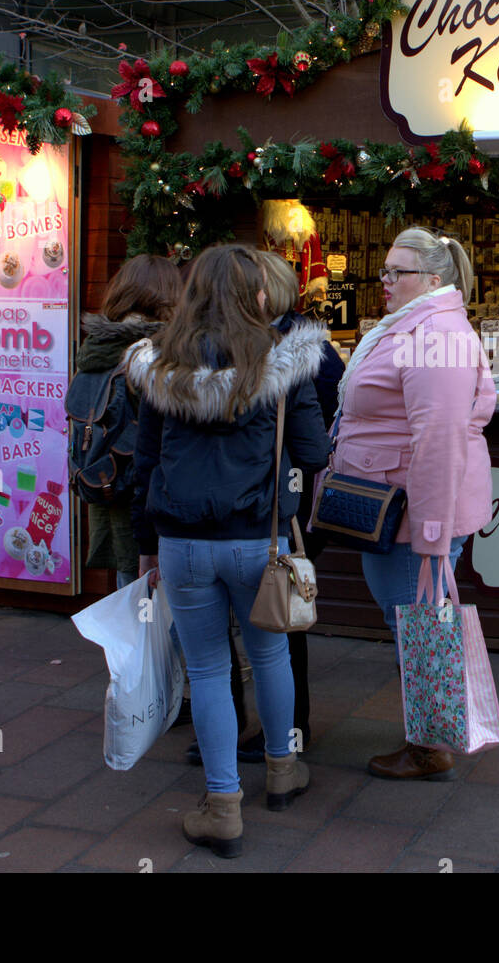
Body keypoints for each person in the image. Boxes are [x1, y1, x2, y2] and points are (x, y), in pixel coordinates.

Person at [126, 244, 332, 858]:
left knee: (210, 671)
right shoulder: (285, 363)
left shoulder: (159, 364)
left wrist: (145, 548)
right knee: (269, 656)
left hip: (182, 542)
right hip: (256, 540)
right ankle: (282, 770)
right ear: (256, 296)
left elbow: (145, 464)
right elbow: (316, 453)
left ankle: (222, 806)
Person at [326, 227, 496, 781]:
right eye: (385, 271)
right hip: (394, 506)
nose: (385, 282)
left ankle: (430, 745)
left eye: (397, 273)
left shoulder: (436, 335)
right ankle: (431, 732)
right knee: (414, 620)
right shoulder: (416, 327)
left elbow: (440, 438)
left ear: (433, 278)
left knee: (418, 624)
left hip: (409, 515)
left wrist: (430, 535)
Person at [213, 250, 343, 765]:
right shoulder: (248, 345)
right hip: (264, 506)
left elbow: (318, 440)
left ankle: (287, 730)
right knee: (267, 621)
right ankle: (274, 736)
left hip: (280, 508)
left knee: (280, 615)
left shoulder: (302, 352)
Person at [74, 254, 182, 588]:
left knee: (128, 583)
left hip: (106, 479)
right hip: (147, 490)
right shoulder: (155, 351)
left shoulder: (96, 346)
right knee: (153, 592)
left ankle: (129, 639)